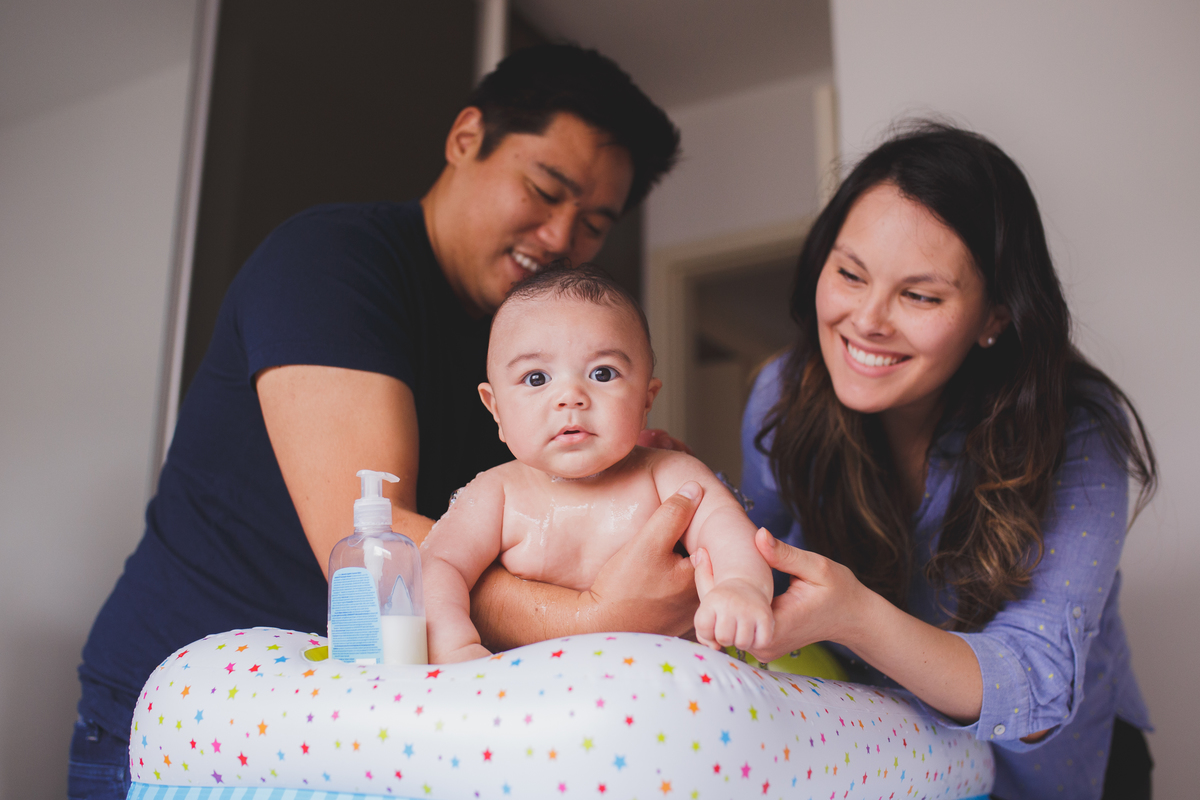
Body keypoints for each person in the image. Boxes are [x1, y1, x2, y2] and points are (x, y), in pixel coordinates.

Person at [70, 45, 699, 800]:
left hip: (347, 725)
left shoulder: (525, 350)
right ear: (466, 138)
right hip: (183, 726)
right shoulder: (331, 263)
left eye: (595, 223)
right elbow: (372, 546)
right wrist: (598, 615)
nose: (563, 238)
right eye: (544, 189)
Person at [700, 122, 1155, 800]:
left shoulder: (1074, 427)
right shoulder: (782, 393)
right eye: (850, 274)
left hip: (1053, 777)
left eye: (920, 296)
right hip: (900, 769)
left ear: (994, 316)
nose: (868, 320)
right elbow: (749, 561)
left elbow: (1036, 687)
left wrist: (856, 616)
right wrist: (686, 507)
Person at [421, 265, 774, 663]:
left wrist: (740, 586)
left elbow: (726, 530)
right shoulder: (495, 493)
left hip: (660, 692)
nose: (570, 396)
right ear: (496, 409)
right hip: (531, 694)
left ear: (645, 399)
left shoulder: (669, 475)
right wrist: (454, 645)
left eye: (602, 373)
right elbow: (437, 565)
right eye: (536, 378)